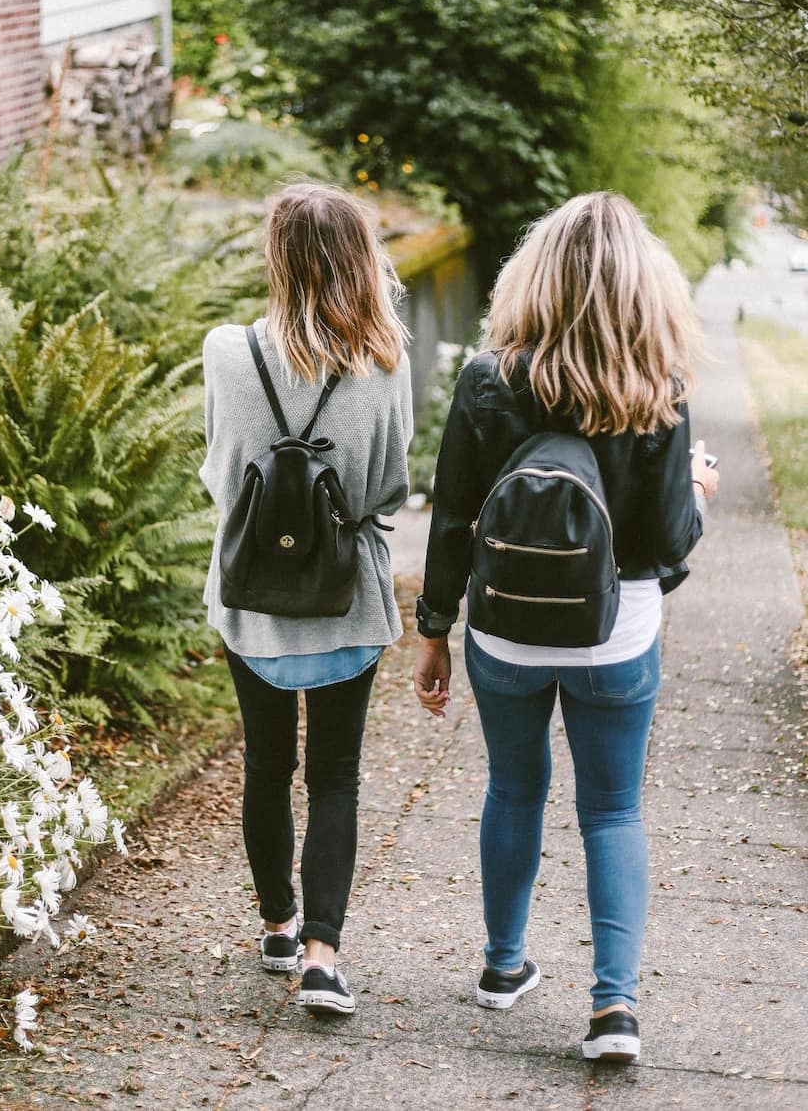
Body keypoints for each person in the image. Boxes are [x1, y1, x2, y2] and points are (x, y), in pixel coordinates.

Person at [412, 192, 718, 1064]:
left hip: (504, 634)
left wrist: (434, 629)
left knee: (514, 790)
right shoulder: (656, 384)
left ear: (533, 274)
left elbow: (453, 519)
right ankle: (613, 1009)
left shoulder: (487, 377)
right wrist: (695, 489)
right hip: (616, 635)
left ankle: (503, 968)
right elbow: (664, 545)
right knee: (613, 809)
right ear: (643, 285)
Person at [201, 182, 412, 1017]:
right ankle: (324, 958)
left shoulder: (227, 351)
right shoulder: (385, 361)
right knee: (335, 778)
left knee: (265, 763)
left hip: (251, 603)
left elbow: (219, 475)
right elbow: (391, 488)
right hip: (345, 604)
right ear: (361, 259)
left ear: (277, 257)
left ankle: (279, 925)